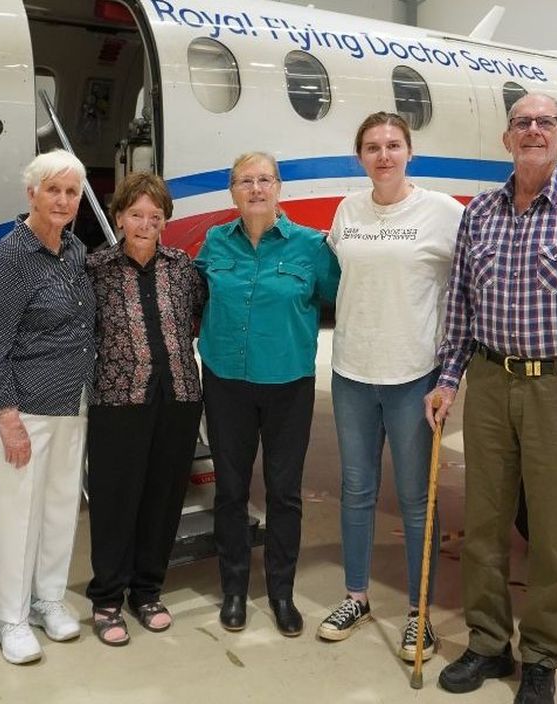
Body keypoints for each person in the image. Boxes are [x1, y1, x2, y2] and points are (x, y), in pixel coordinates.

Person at [426, 94, 557, 704]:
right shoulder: (479, 212)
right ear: (507, 139)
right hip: (488, 380)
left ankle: (540, 655)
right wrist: (447, 377)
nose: (532, 131)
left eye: (544, 124)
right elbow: (459, 303)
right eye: (522, 124)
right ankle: (487, 643)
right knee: (482, 525)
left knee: (554, 531)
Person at [316, 112, 463, 661]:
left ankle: (418, 614)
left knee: (415, 499)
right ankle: (356, 596)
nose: (383, 155)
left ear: (409, 151)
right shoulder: (347, 210)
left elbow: (466, 287)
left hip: (414, 378)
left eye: (393, 145)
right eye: (373, 147)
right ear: (360, 157)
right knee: (355, 492)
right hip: (352, 371)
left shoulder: (443, 213)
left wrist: (451, 368)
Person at [196, 152, 340, 637]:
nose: (255, 189)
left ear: (279, 187)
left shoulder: (311, 247)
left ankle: (281, 592)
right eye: (245, 182)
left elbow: (345, 298)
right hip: (226, 384)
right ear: (232, 191)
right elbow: (193, 299)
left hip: (288, 387)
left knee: (284, 494)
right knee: (232, 492)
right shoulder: (214, 243)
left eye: (264, 180)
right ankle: (234, 589)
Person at [0, 150, 95, 665]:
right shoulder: (10, 259)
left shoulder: (75, 250)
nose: (64, 200)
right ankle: (11, 618)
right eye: (54, 190)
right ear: (32, 194)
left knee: (61, 508)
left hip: (71, 403)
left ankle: (48, 599)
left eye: (71, 191)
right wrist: (5, 415)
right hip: (22, 411)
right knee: (18, 515)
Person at [85, 172, 205, 646]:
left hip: (178, 397)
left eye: (155, 216)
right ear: (119, 217)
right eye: (136, 214)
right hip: (118, 399)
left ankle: (148, 590)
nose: (145, 223)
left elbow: (196, 317)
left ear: (165, 221)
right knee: (115, 499)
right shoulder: (95, 269)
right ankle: (107, 597)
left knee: (163, 496)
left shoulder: (182, 268)